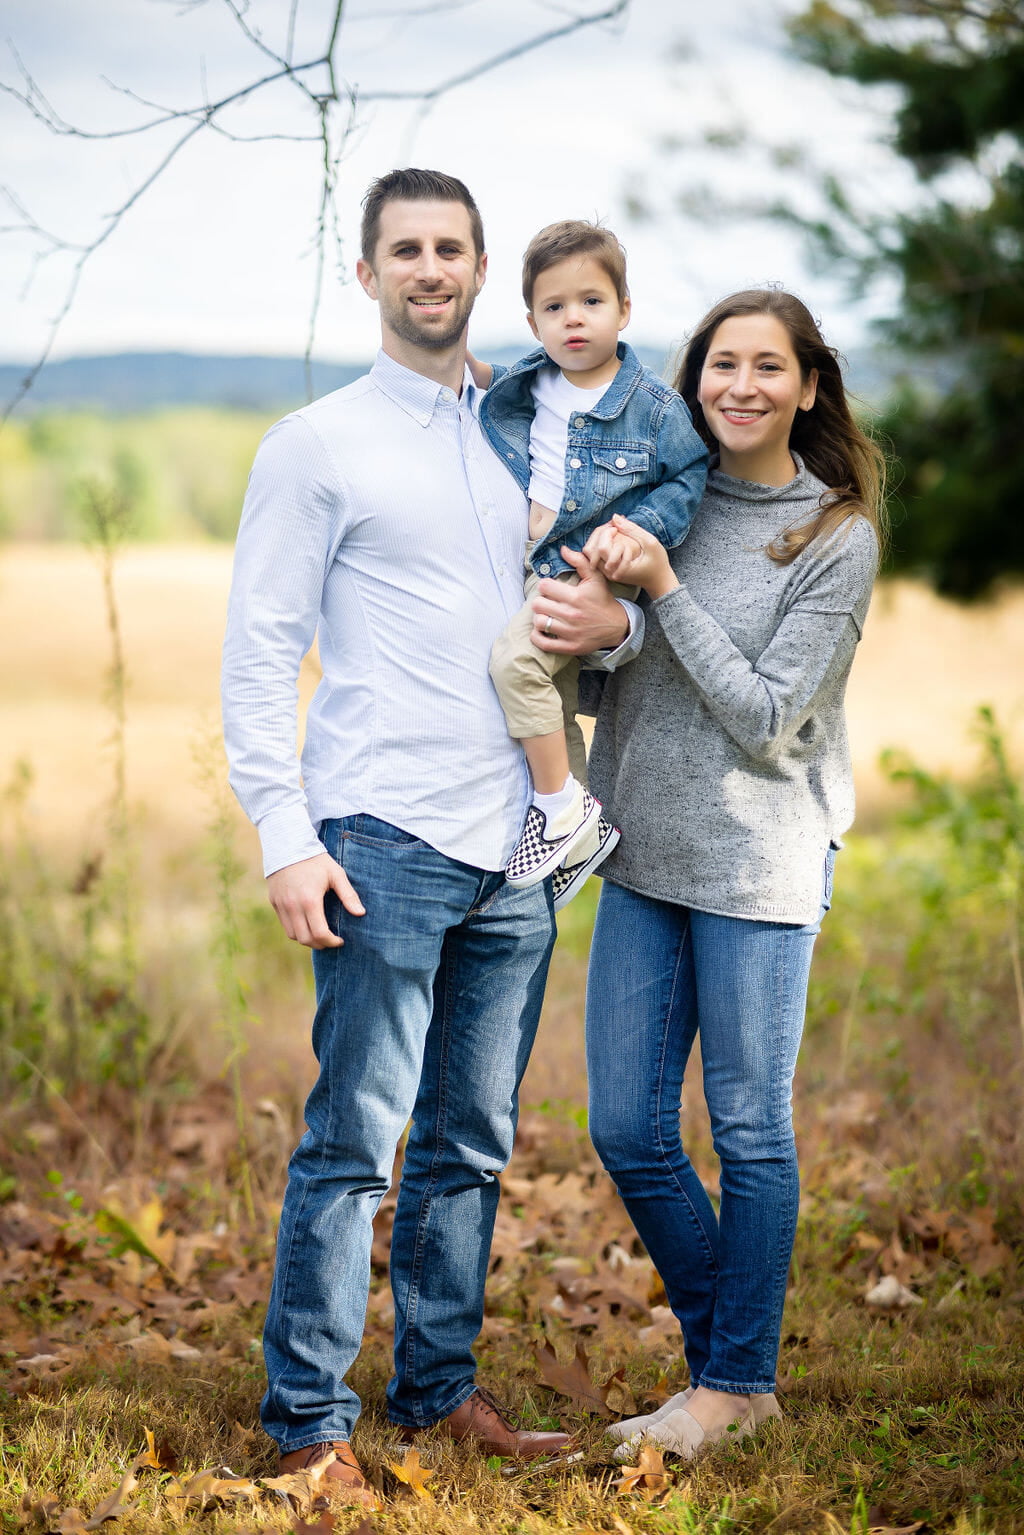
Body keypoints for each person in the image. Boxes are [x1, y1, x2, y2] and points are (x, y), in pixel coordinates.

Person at [221, 168, 636, 1505]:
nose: (431, 267)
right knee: (355, 1136)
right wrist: (285, 832)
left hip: (518, 838)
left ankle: (439, 1388)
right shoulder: (318, 443)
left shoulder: (524, 430)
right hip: (382, 834)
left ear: (478, 267)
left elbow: (577, 597)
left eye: (452, 246)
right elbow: (259, 650)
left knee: (469, 1137)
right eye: (406, 248)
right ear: (368, 275)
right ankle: (305, 1413)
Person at [535, 288, 885, 1461]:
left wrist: (663, 595)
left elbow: (771, 719)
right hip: (643, 851)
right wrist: (595, 622)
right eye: (719, 365)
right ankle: (732, 1366)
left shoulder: (833, 535)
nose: (739, 385)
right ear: (693, 385)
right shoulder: (659, 504)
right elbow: (617, 670)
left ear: (808, 385)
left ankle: (732, 1381)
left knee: (749, 1130)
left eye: (765, 366)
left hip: (759, 862)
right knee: (627, 1128)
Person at [479, 221, 707, 897]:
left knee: (514, 663)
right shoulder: (530, 383)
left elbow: (689, 476)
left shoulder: (656, 410)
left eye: (591, 302)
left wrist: (634, 533)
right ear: (532, 322)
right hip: (535, 564)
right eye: (554, 308)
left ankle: (557, 810)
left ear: (624, 310)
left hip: (588, 572)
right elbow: (485, 383)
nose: (572, 319)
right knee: (548, 694)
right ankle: (576, 817)